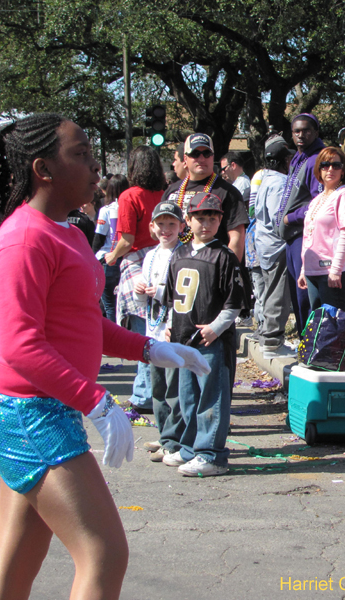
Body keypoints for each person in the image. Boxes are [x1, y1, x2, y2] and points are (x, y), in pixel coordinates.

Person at [0, 113, 209, 600]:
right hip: (23, 411)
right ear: (43, 169)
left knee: (17, 560)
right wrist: (98, 402)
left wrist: (151, 348)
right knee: (104, 552)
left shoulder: (70, 232)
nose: (96, 166)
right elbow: (18, 343)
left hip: (41, 407)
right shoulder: (22, 240)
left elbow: (80, 323)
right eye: (80, 154)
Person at [161, 192, 247, 476]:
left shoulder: (224, 257)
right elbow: (171, 298)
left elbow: (235, 303)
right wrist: (168, 326)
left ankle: (211, 454)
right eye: (200, 217)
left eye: (212, 217)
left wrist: (216, 327)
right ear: (188, 220)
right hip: (182, 339)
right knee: (188, 398)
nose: (206, 223)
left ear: (221, 220)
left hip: (212, 341)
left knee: (212, 397)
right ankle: (190, 448)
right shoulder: (180, 253)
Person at [106, 146, 166, 410]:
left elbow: (126, 239)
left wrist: (110, 257)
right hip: (164, 258)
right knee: (159, 325)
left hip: (136, 264)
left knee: (142, 331)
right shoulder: (165, 194)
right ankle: (154, 391)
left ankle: (144, 395)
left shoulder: (128, 196)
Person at [134, 201, 186, 463]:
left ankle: (175, 439)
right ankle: (165, 434)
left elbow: (184, 296)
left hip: (170, 332)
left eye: (171, 224)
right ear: (152, 227)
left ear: (181, 226)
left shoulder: (183, 254)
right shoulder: (151, 255)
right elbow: (142, 303)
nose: (166, 230)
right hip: (153, 331)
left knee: (173, 388)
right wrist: (139, 290)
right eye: (161, 224)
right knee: (158, 387)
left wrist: (164, 292)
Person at [278, 114, 326, 334]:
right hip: (291, 236)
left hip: (304, 235)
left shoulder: (317, 159)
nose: (300, 135)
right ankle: (303, 339)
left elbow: (321, 201)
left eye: (306, 130)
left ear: (316, 132)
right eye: (296, 131)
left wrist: (292, 217)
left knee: (304, 293)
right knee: (295, 294)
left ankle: (312, 343)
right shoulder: (298, 157)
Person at [297, 147, 345, 313]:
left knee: (333, 327)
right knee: (318, 326)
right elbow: (308, 236)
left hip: (332, 272)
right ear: (318, 169)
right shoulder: (316, 200)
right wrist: (304, 269)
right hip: (312, 271)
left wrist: (336, 270)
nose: (330, 169)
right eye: (325, 165)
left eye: (336, 165)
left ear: (343, 170)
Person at [253, 134, 294, 356]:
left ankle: (267, 334)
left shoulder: (265, 178)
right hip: (276, 245)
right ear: (284, 160)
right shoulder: (279, 182)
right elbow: (280, 218)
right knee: (278, 293)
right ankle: (272, 341)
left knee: (270, 291)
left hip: (265, 243)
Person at [93, 173, 129, 322]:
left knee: (109, 306)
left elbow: (99, 238)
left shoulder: (106, 210)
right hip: (127, 258)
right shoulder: (130, 207)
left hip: (109, 259)